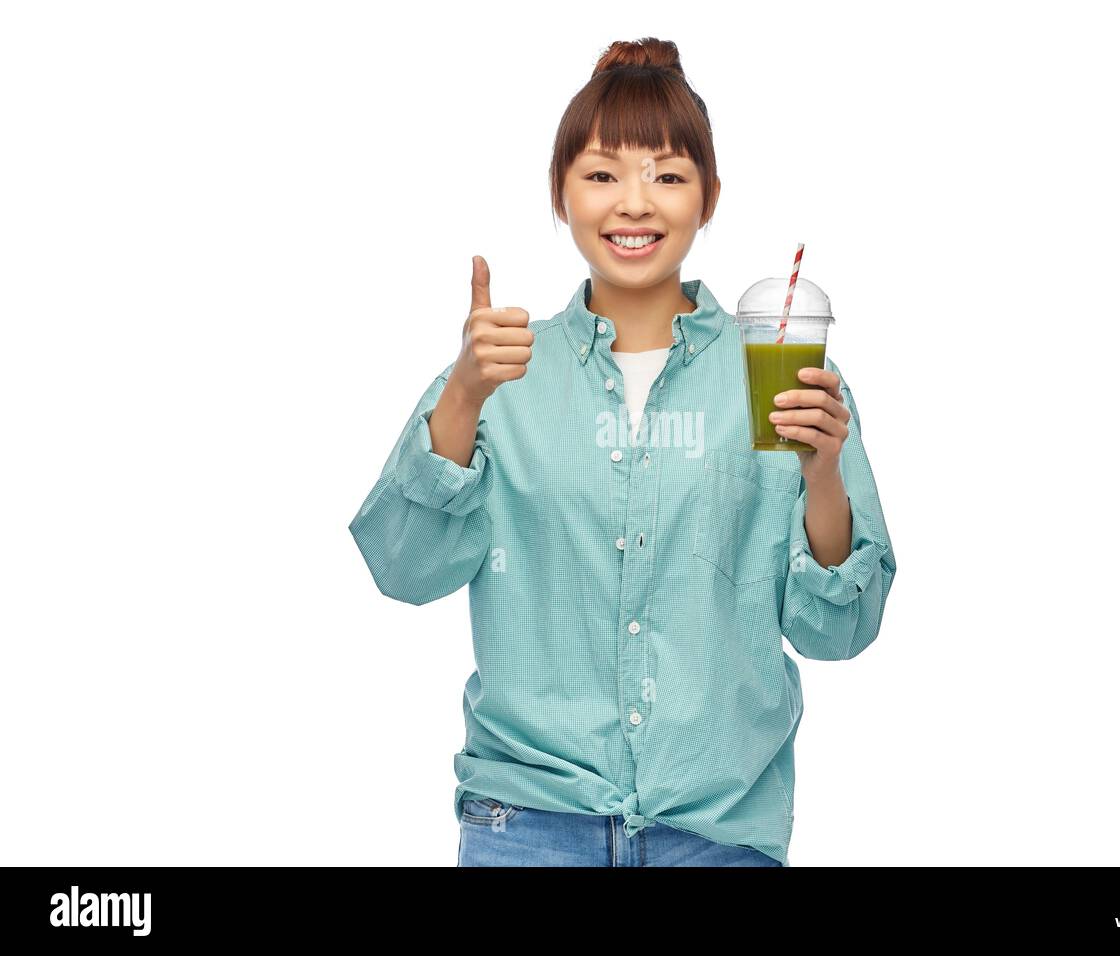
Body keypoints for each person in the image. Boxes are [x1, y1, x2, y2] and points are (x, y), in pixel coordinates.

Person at [348, 37, 897, 867]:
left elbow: (836, 633)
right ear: (559, 193)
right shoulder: (501, 370)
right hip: (529, 822)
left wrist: (821, 473)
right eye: (602, 174)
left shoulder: (776, 369)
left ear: (709, 198)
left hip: (717, 833)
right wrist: (461, 397)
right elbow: (405, 569)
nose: (633, 204)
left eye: (668, 176)